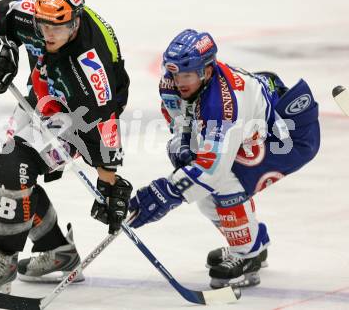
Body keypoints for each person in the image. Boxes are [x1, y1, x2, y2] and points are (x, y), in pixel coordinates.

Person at [0, 0, 132, 300]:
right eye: (43, 25)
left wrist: (109, 182)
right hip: (42, 92)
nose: (47, 33)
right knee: (1, 178)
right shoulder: (30, 11)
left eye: (58, 27)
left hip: (80, 113)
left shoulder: (91, 66)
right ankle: (58, 250)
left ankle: (5, 260)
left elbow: (104, 121)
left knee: (15, 167)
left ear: (76, 22)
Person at [128, 29, 320, 289]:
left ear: (207, 71)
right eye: (175, 73)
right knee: (201, 185)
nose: (179, 81)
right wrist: (182, 145)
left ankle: (248, 255)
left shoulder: (224, 104)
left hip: (288, 137)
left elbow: (212, 171)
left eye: (187, 75)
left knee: (219, 182)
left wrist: (167, 191)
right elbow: (181, 122)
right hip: (253, 133)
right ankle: (254, 240)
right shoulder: (172, 84)